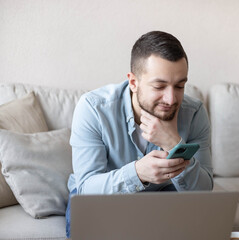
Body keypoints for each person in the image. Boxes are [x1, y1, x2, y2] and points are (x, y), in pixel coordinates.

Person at [65, 31, 213, 238]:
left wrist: (173, 143)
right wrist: (137, 173)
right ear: (133, 82)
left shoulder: (194, 112)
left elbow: (205, 193)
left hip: (165, 195)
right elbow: (87, 189)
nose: (171, 99)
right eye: (159, 86)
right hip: (103, 198)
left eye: (180, 86)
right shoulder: (93, 108)